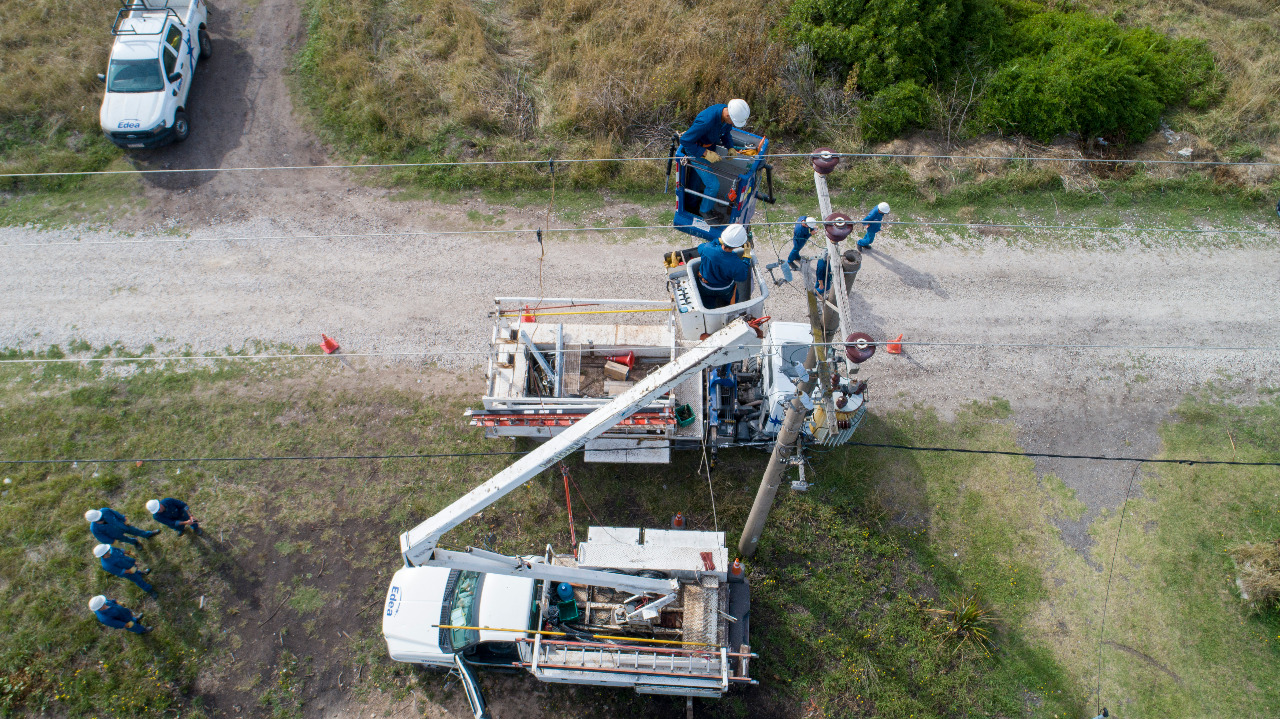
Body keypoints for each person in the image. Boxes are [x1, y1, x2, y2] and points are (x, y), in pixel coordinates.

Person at [679, 99, 751, 220]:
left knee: (696, 180)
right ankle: (705, 212)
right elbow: (685, 140)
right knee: (713, 185)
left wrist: (730, 147)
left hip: (708, 148)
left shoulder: (727, 115)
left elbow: (726, 133)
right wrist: (705, 153)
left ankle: (692, 205)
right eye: (733, 121)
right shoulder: (706, 121)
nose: (732, 124)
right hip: (696, 151)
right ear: (728, 115)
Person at [696, 223, 752, 309]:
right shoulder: (736, 263)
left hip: (706, 286)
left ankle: (711, 310)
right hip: (724, 289)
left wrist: (716, 241)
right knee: (732, 297)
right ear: (737, 246)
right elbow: (742, 277)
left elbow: (700, 247)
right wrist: (746, 257)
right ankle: (730, 307)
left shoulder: (707, 248)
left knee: (707, 302)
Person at [86, 507, 158, 547]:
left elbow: (116, 514)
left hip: (122, 525)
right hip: (116, 535)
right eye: (99, 519)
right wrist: (112, 541)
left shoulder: (105, 510)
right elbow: (101, 537)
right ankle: (135, 542)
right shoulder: (94, 528)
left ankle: (147, 534)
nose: (101, 519)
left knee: (136, 531)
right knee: (126, 539)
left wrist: (123, 518)